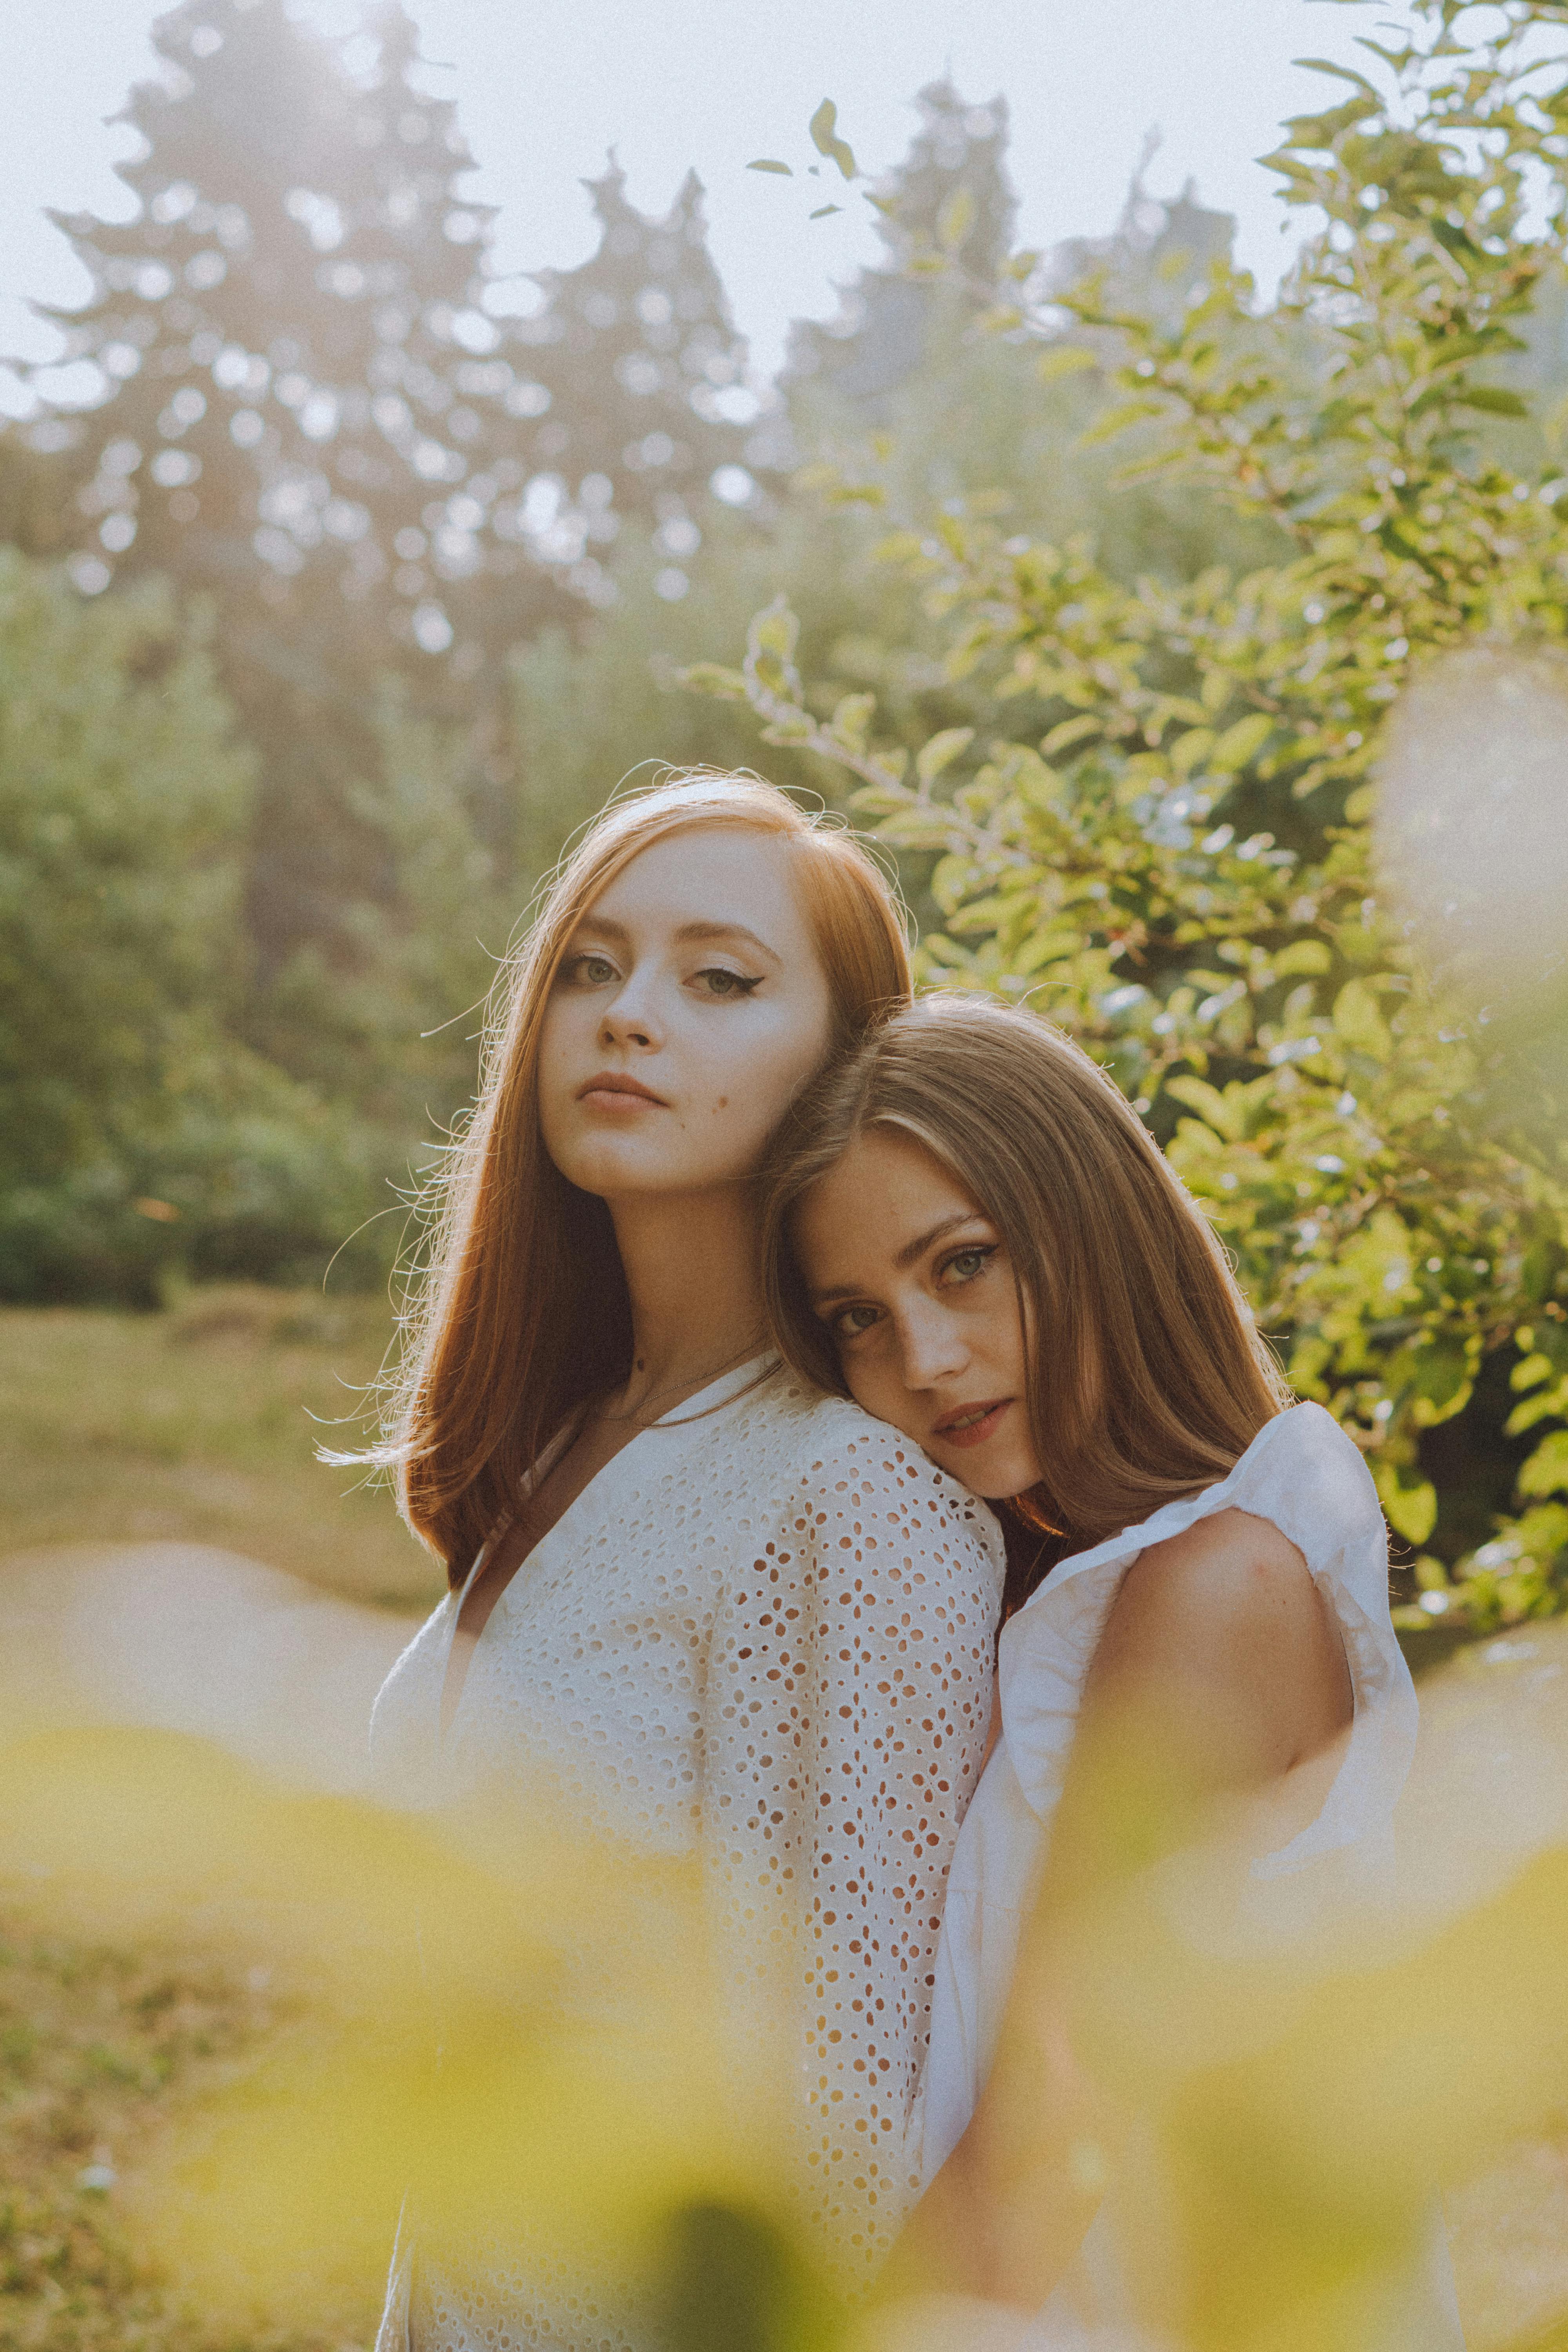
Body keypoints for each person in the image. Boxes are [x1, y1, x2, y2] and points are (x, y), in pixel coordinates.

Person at [358, 780, 1007, 2350]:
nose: (627, 1018)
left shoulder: (847, 1496)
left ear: (845, 1068)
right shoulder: (569, 1437)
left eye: (718, 979)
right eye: (589, 967)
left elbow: (847, 2156)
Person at [762, 991, 1466, 2348]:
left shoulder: (1214, 1590)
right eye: (857, 1315)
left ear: (1092, 1221)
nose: (923, 1357)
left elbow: (1041, 2153)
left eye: (961, 1263)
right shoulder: (1067, 1595)